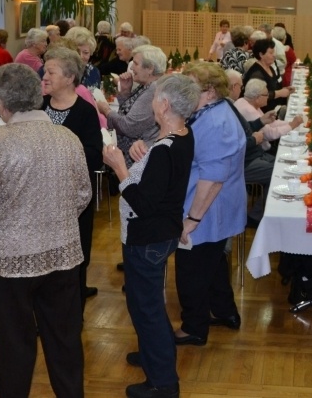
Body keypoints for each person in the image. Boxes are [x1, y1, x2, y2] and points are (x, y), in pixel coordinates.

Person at [0, 63, 91, 397]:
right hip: (63, 254)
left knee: (13, 346)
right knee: (65, 340)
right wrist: (56, 218)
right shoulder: (67, 138)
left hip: (11, 261)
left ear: (2, 103)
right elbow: (83, 194)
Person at [102, 74, 200, 398]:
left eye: (156, 97)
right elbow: (162, 181)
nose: (152, 102)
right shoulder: (182, 136)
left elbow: (143, 204)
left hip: (147, 238)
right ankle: (151, 353)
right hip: (163, 233)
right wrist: (143, 159)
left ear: (165, 105)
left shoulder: (164, 149)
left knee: (147, 309)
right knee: (147, 304)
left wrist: (120, 167)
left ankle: (162, 382)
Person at [172, 62, 246, 346]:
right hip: (213, 205)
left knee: (191, 268)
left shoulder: (216, 122)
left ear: (211, 92)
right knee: (212, 263)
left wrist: (192, 219)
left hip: (207, 207)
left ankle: (194, 327)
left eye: (191, 88)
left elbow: (213, 179)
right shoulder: (213, 111)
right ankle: (225, 312)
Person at [41, 47, 103, 312]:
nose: (44, 76)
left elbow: (94, 155)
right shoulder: (39, 107)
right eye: (45, 71)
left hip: (73, 200)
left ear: (69, 78)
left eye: (50, 72)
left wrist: (57, 155)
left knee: (75, 257)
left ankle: (73, 316)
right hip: (41, 200)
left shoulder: (85, 112)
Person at [97, 45, 166, 165]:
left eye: (136, 63)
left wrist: (106, 110)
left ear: (150, 68)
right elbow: (128, 112)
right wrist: (125, 91)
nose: (132, 68)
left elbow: (128, 127)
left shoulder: (153, 90)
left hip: (138, 159)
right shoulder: (147, 85)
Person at [242, 38, 292, 113]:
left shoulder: (270, 67)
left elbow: (273, 87)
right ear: (261, 54)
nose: (274, 55)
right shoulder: (256, 74)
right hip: (262, 113)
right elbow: (258, 96)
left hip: (274, 109)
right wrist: (280, 93)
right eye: (271, 53)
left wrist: (285, 89)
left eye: (274, 52)